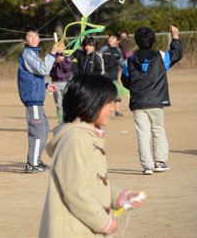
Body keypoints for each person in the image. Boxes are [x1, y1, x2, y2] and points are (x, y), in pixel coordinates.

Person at [40, 73, 146, 237]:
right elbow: (75, 192)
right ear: (88, 105)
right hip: (71, 232)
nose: (112, 108)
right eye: (107, 103)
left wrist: (120, 197)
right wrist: (103, 223)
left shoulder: (87, 136)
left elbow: (92, 182)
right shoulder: (75, 139)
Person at [121, 26, 183, 175]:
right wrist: (175, 37)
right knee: (158, 130)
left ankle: (147, 166)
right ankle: (159, 162)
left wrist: (136, 90)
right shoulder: (161, 56)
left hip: (138, 103)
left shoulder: (128, 61)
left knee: (143, 134)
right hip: (156, 102)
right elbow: (177, 54)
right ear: (154, 41)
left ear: (136, 42)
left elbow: (125, 81)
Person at [18, 27, 63, 173]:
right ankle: (31, 164)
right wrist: (52, 54)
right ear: (25, 40)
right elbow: (43, 70)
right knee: (37, 131)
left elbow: (33, 75)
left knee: (43, 129)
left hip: (37, 98)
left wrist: (45, 84)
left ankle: (36, 160)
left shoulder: (33, 54)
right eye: (30, 37)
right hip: (32, 99)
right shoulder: (28, 54)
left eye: (36, 36)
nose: (33, 39)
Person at [99, 32, 127, 117]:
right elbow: (98, 59)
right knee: (105, 94)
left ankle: (117, 110)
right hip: (104, 76)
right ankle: (103, 111)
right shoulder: (104, 49)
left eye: (113, 38)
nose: (111, 39)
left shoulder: (118, 51)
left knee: (117, 93)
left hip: (114, 76)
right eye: (110, 38)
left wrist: (128, 66)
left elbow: (121, 62)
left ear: (117, 41)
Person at [49, 46, 73, 124]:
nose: (60, 47)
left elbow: (67, 69)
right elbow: (49, 69)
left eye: (62, 46)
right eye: (58, 45)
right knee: (59, 105)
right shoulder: (51, 56)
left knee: (68, 103)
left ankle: (68, 121)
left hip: (65, 83)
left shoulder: (67, 56)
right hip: (55, 83)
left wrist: (62, 61)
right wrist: (55, 62)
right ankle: (61, 122)